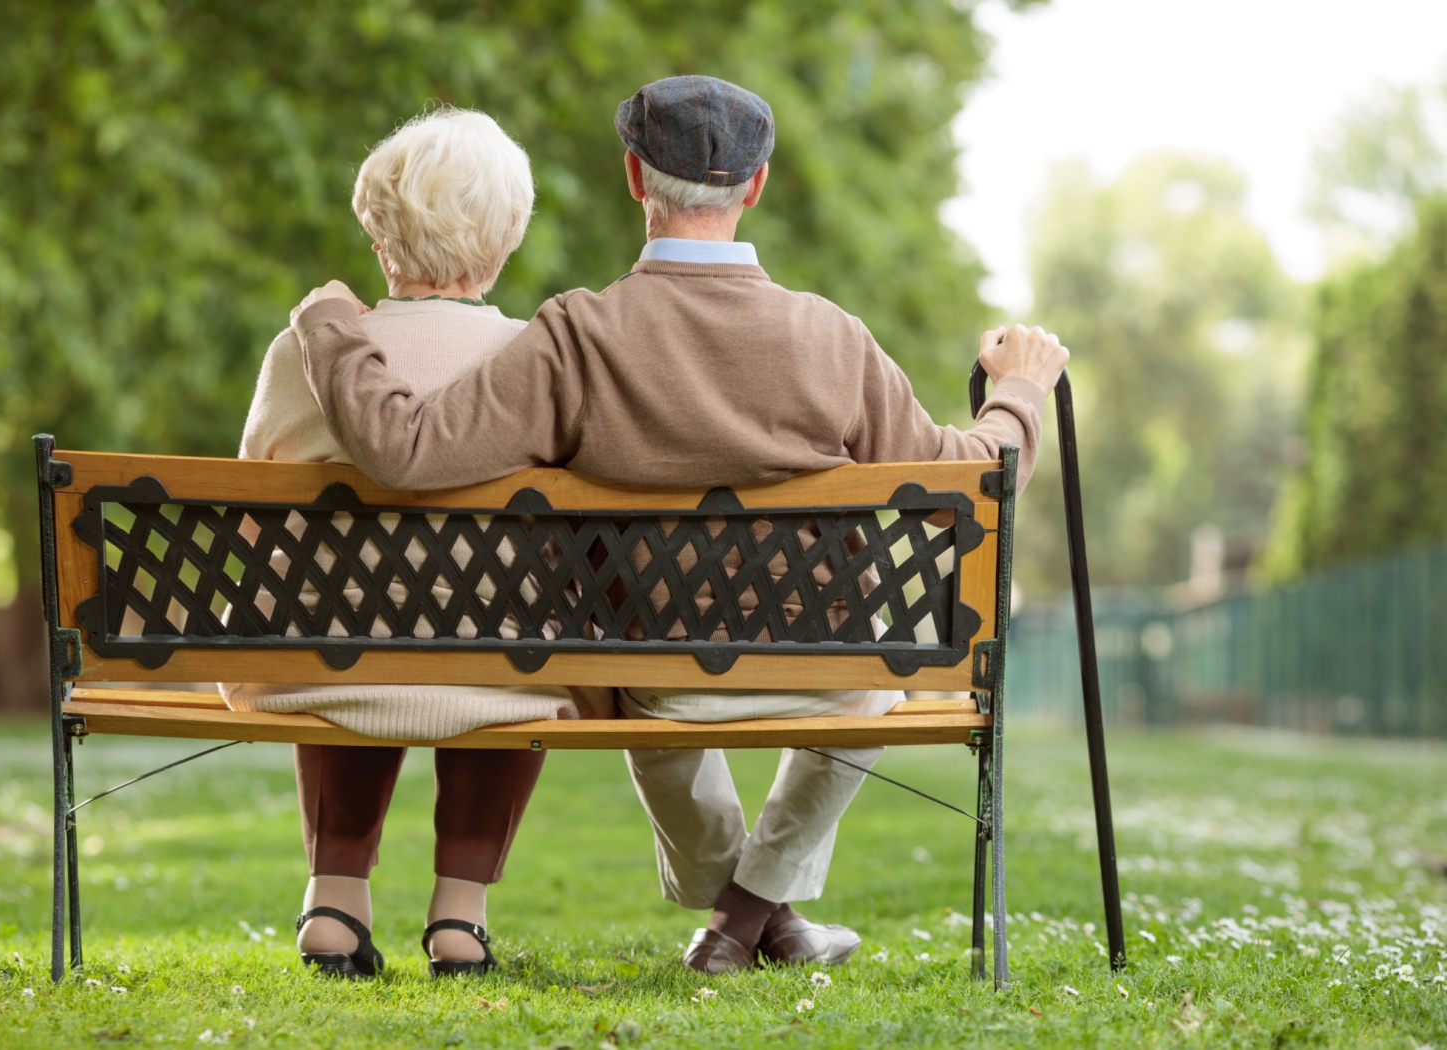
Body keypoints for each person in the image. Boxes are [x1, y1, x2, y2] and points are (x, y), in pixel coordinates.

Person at [286, 75, 1068, 974]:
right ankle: (752, 914)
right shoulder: (832, 339)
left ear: (633, 176)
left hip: (656, 682)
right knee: (882, 671)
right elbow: (978, 480)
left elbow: (410, 452)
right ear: (757, 185)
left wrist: (335, 325)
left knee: (646, 663)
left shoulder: (578, 334)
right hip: (826, 671)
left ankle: (744, 917)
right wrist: (1019, 389)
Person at [221, 106, 610, 980]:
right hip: (497, 674)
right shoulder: (534, 357)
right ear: (507, 236)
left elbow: (251, 507)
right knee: (507, 632)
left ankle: (334, 901)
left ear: (379, 231)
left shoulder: (308, 352)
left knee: (338, 615)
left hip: (325, 663)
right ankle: (459, 918)